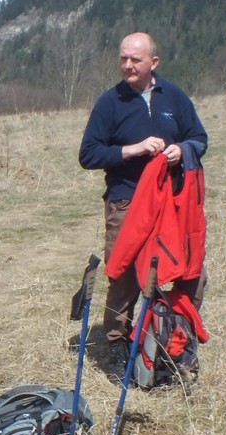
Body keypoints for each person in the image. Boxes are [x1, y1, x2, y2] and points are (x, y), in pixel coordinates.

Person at [78, 32, 208, 375]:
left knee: (190, 271)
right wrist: (132, 150)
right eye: (123, 58)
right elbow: (88, 154)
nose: (127, 65)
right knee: (123, 275)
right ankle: (117, 345)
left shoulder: (174, 96)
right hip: (126, 201)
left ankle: (173, 337)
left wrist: (182, 150)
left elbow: (200, 138)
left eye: (135, 59)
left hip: (172, 203)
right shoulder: (110, 102)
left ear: (154, 62)